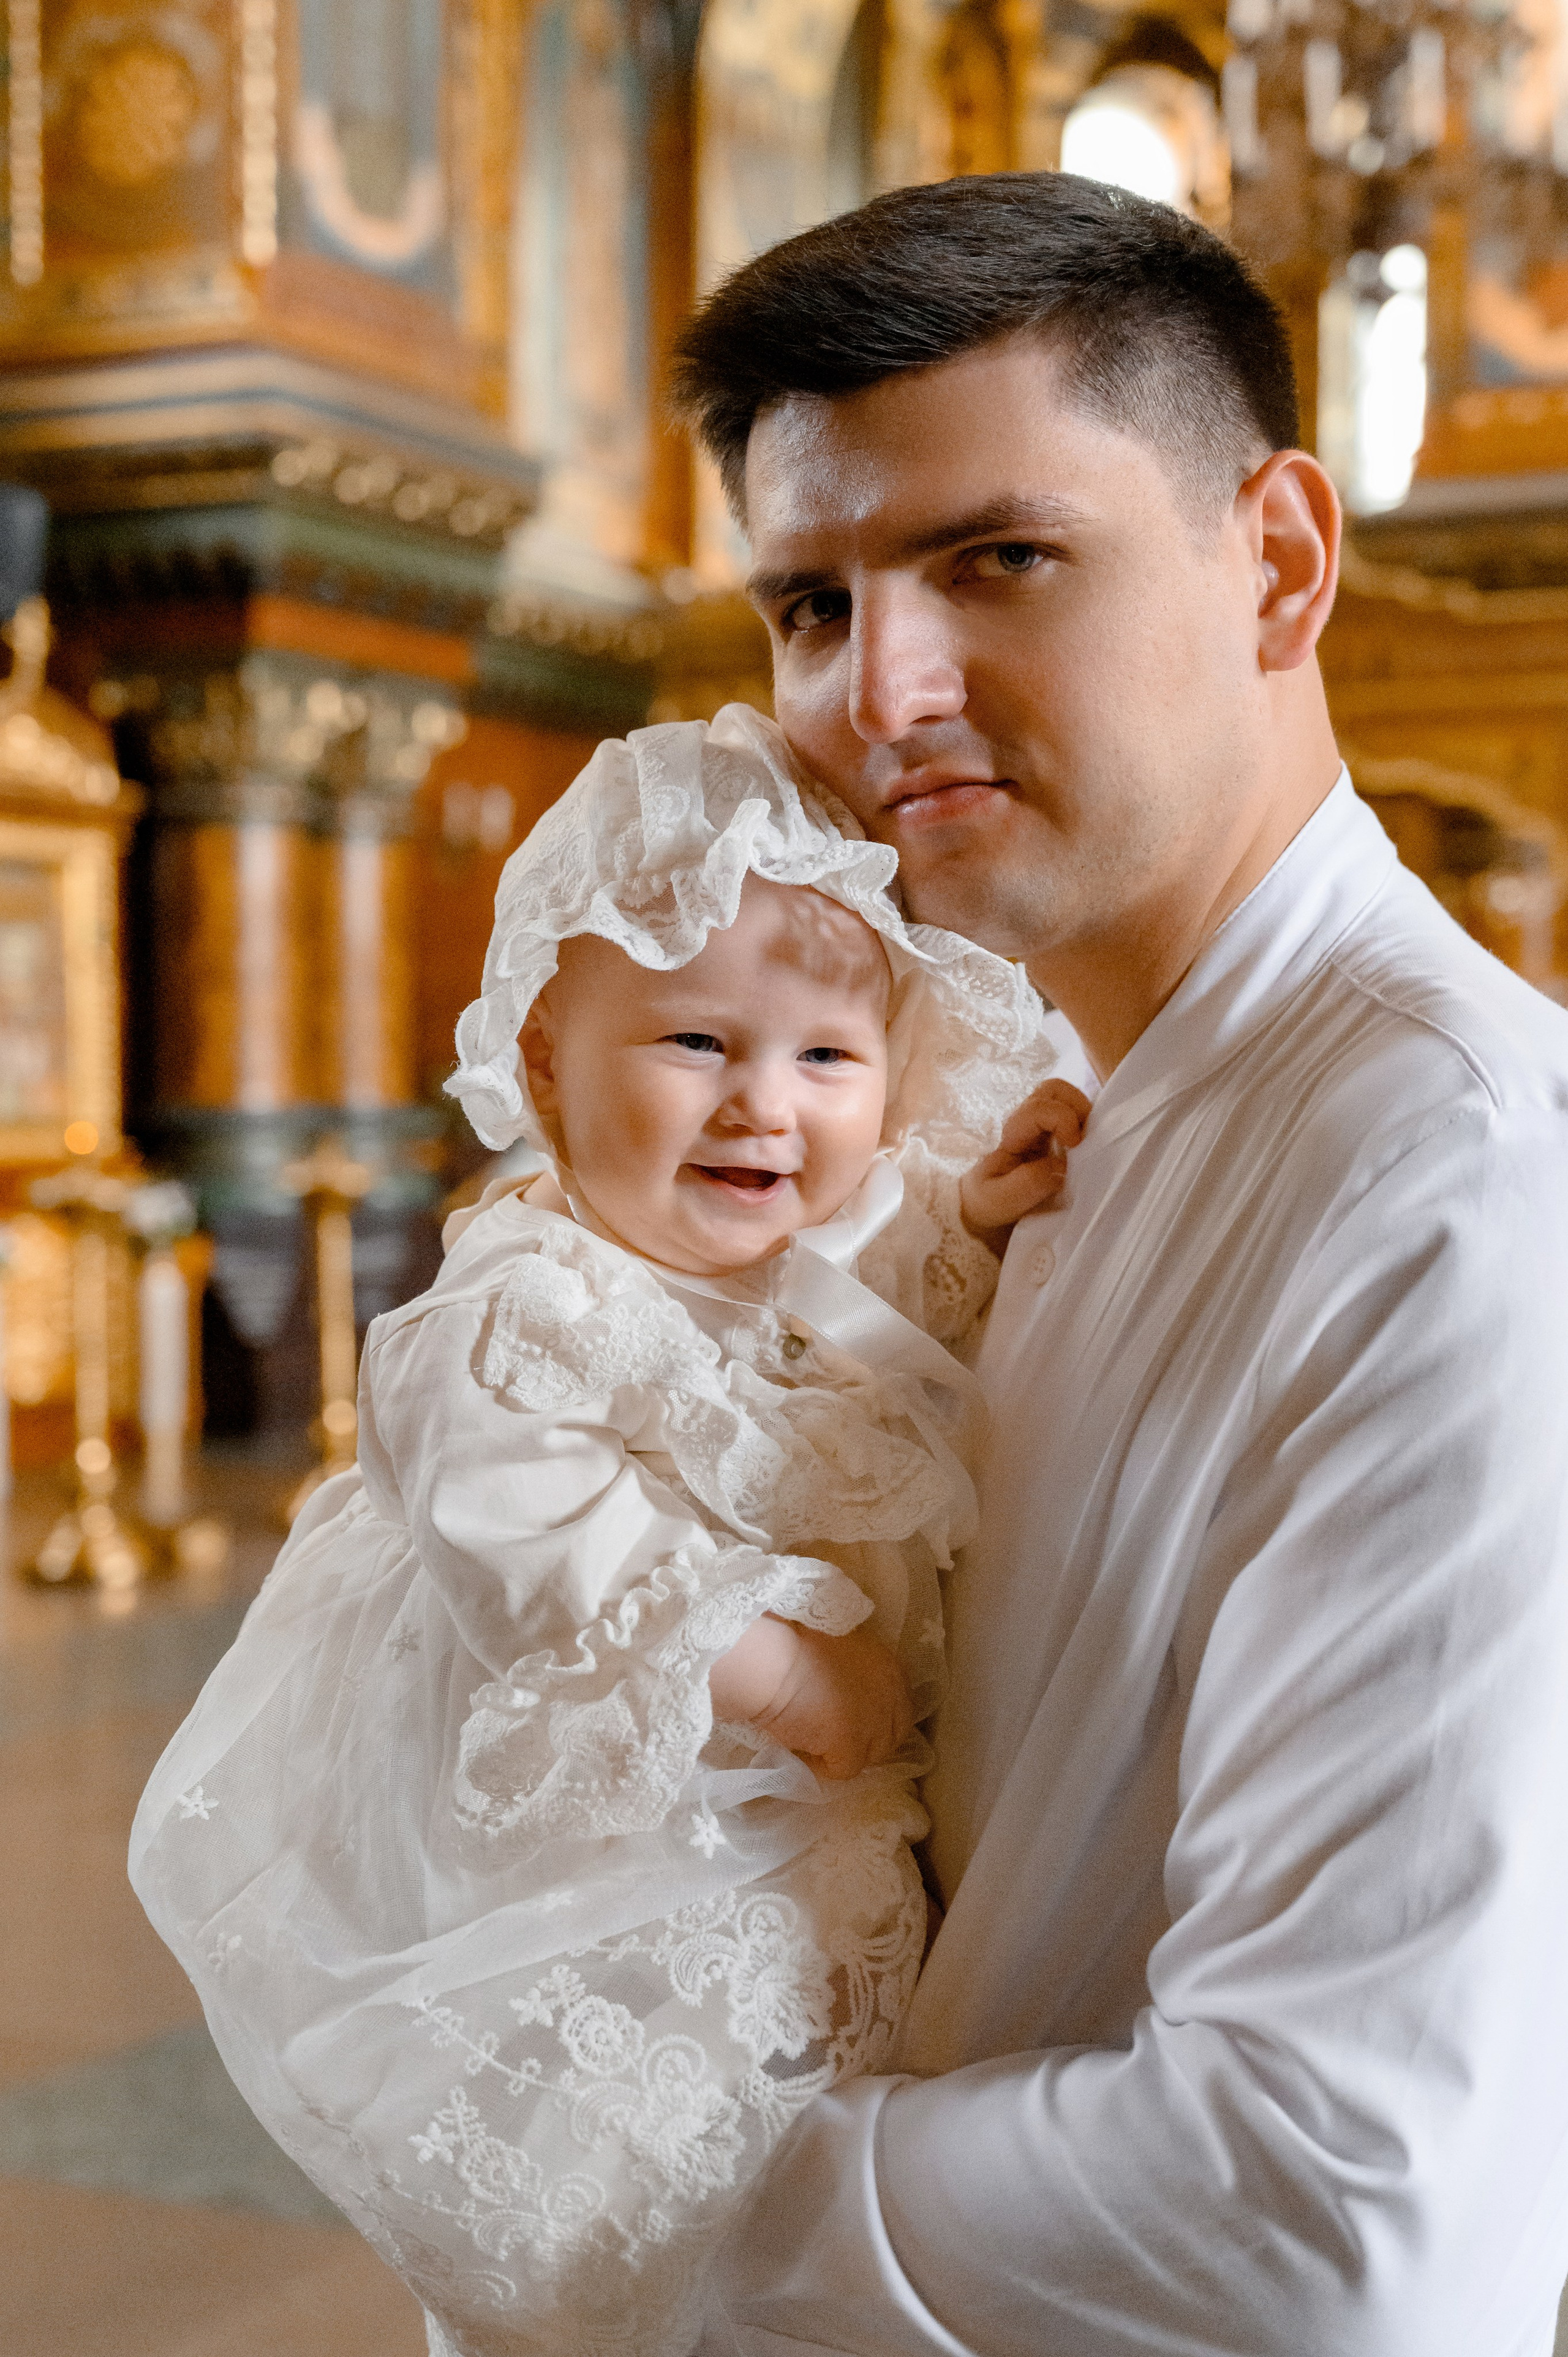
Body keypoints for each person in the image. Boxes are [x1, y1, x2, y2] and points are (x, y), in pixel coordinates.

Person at [669, 173, 1568, 2356]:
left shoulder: (1456, 1176)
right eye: (808, 606)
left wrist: (643, 2185)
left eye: (999, 560)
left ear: (1274, 561)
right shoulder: (1034, 1126)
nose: (884, 693)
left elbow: (1327, 2217)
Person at [129, 704, 1083, 2357]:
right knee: (628, 2205)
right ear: (553, 1062)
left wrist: (974, 1227)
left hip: (807, 1835)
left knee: (801, 2170)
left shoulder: (806, 1243)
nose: (764, 1110)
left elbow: (869, 1307)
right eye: (696, 1046)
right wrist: (764, 1663)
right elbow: (535, 1539)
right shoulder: (523, 1302)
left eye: (828, 1060)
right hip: (614, 1848)